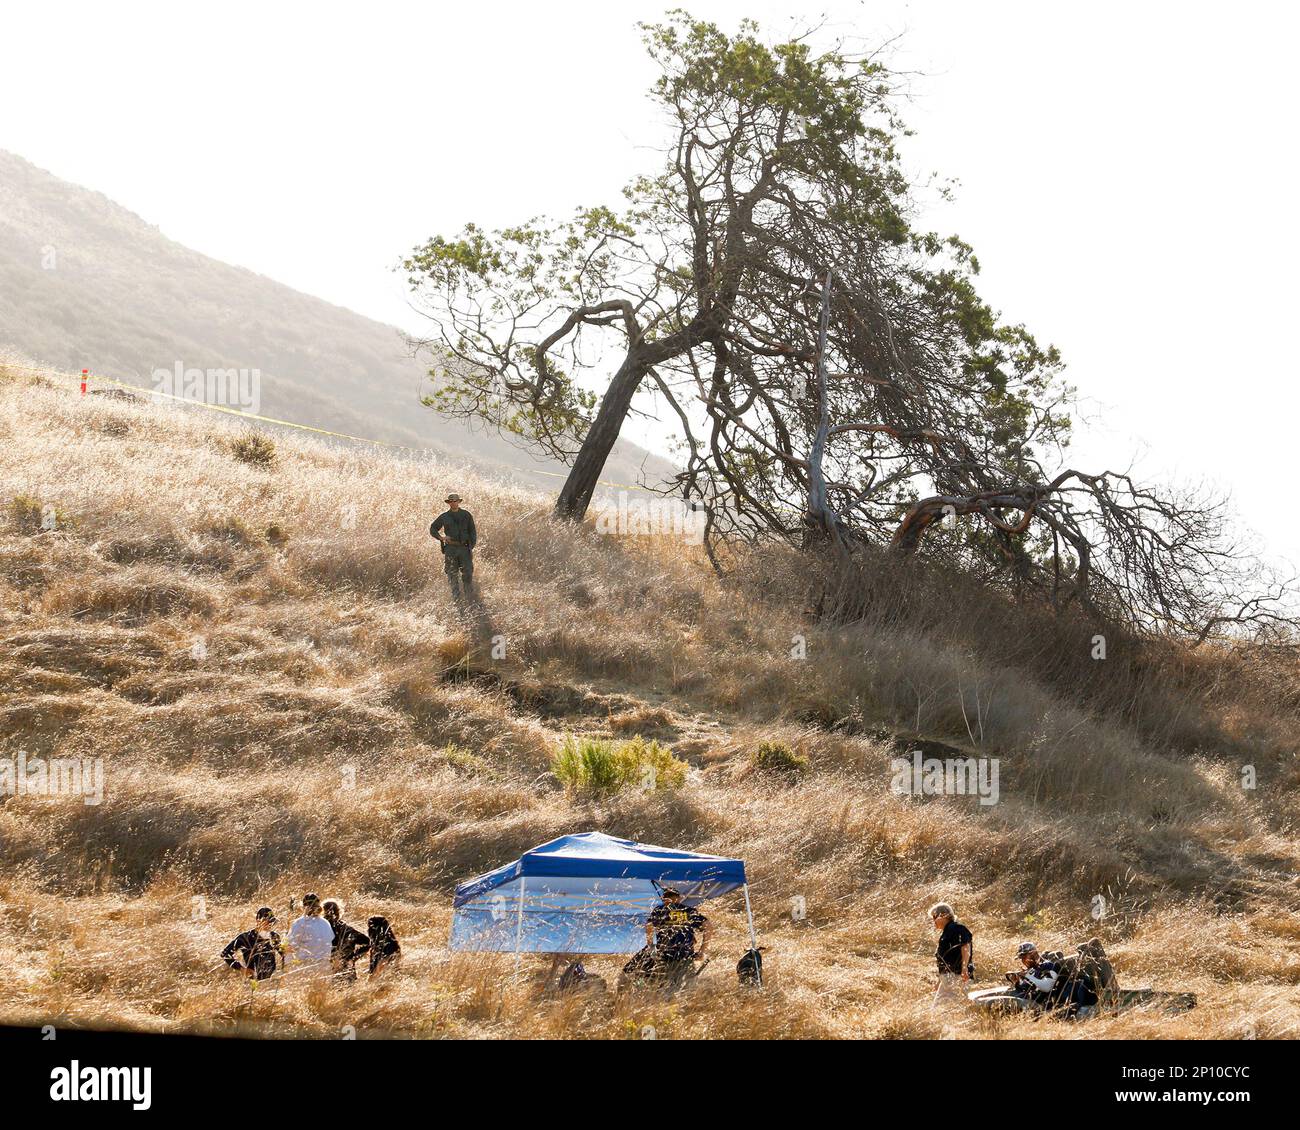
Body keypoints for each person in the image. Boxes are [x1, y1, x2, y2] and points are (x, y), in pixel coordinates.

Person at [429, 493, 477, 604]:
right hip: (450, 549)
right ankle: (456, 599)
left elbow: (473, 532)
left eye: (455, 500)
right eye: (451, 501)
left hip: (464, 548)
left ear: (459, 502)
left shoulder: (466, 515)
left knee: (468, 573)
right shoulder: (444, 516)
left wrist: (471, 546)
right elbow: (433, 528)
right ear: (449, 503)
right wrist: (441, 537)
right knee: (452, 573)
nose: (453, 502)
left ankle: (469, 599)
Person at [646, 888, 709, 970]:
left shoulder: (659, 910)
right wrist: (702, 951)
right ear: (679, 898)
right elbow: (708, 926)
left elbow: (649, 928)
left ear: (664, 899)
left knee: (662, 981)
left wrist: (653, 950)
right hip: (685, 955)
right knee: (684, 981)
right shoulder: (688, 911)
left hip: (663, 955)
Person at [221, 907, 283, 981]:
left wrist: (283, 971)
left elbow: (283, 953)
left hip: (272, 980)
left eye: (272, 922)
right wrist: (242, 969)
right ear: (258, 921)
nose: (270, 924)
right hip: (253, 981)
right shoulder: (245, 937)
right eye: (268, 921)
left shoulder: (274, 936)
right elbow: (225, 954)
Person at [930, 902, 973, 1008]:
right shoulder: (947, 932)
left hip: (957, 976)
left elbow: (966, 946)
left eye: (935, 917)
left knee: (940, 1009)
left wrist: (964, 969)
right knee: (950, 1009)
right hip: (950, 977)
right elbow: (946, 961)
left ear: (944, 915)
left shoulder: (957, 928)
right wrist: (940, 981)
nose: (933, 921)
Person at [286, 893, 335, 974]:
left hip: (306, 969)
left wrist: (288, 968)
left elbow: (289, 947)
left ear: (303, 906)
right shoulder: (325, 923)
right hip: (325, 968)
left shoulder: (299, 923)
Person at [323, 899, 370, 981]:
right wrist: (353, 958)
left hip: (326, 968)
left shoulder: (320, 928)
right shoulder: (346, 929)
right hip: (346, 967)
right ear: (338, 912)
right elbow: (367, 942)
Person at [1006, 942, 1062, 1009]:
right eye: (1021, 958)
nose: (1023, 961)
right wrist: (1017, 982)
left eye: (1024, 957)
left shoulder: (1047, 965)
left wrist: (1028, 975)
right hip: (1030, 999)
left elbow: (1047, 987)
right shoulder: (1034, 968)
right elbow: (1025, 988)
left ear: (1034, 954)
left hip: (1042, 1004)